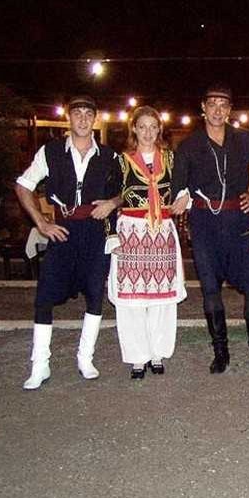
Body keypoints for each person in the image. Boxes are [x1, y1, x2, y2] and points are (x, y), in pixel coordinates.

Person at [171, 84, 249, 377]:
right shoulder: (188, 145)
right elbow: (178, 185)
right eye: (213, 104)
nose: (218, 110)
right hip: (205, 225)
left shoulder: (244, 139)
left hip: (240, 222)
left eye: (224, 104)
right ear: (203, 108)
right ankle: (220, 352)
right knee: (210, 290)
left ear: (230, 109)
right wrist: (181, 196)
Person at [15, 94, 121, 390]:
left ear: (95, 118)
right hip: (62, 230)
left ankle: (85, 358)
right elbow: (23, 185)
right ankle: (40, 364)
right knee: (45, 297)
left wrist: (112, 202)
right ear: (68, 117)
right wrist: (41, 222)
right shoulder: (50, 151)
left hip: (95, 231)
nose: (83, 119)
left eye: (89, 113)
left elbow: (127, 190)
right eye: (78, 113)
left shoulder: (110, 156)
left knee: (95, 296)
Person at [108, 106, 187, 379]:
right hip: (132, 230)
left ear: (159, 130)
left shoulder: (172, 159)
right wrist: (111, 236)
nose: (148, 132)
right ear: (134, 129)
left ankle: (157, 353)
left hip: (162, 231)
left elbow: (185, 184)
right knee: (132, 299)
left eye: (153, 127)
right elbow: (109, 198)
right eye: (143, 126)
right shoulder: (121, 161)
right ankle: (137, 357)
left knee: (161, 299)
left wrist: (185, 196)